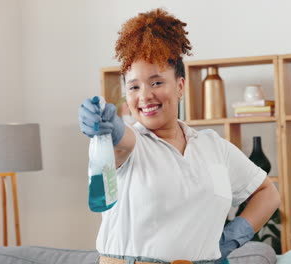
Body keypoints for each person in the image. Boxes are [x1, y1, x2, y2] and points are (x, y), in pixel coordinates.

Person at [79, 8, 280, 264]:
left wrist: (231, 238)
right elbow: (121, 140)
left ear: (181, 85)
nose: (145, 96)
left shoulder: (213, 146)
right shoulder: (133, 143)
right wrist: (105, 124)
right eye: (134, 87)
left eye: (156, 82)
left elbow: (268, 193)